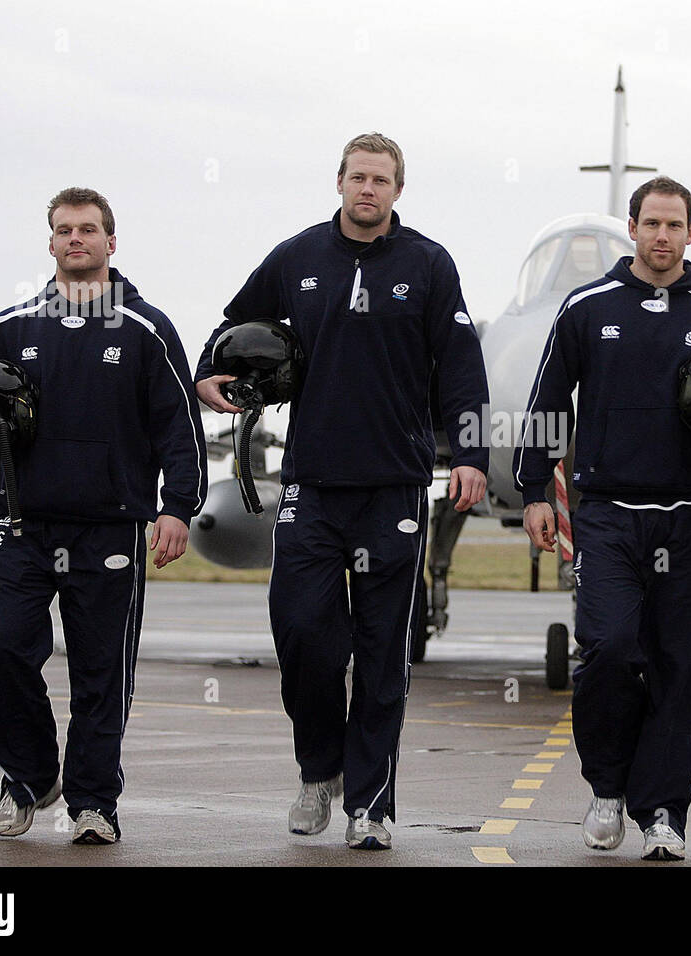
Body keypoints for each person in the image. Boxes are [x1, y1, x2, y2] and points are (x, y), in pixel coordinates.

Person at [195, 132, 489, 850]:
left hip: (393, 487)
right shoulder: (298, 256)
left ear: (397, 189)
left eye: (381, 179)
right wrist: (209, 370)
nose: (369, 189)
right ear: (339, 182)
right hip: (311, 485)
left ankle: (372, 806)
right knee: (302, 635)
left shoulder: (427, 263)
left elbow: (459, 364)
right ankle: (317, 767)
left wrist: (473, 453)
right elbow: (236, 322)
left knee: (383, 651)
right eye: (358, 176)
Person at [0, 187, 208, 844]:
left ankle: (94, 803)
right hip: (21, 524)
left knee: (102, 674)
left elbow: (179, 429)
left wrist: (178, 508)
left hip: (111, 528)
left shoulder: (146, 329)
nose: (76, 239)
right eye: (64, 230)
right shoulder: (12, 325)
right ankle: (28, 777)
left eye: (88, 229)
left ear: (110, 242)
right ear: (50, 244)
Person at [514, 176, 691, 860]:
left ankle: (664, 813)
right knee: (606, 650)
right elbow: (547, 399)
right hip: (605, 516)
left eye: (675, 225)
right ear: (631, 227)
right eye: (652, 223)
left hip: (687, 518)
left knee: (675, 668)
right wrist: (536, 489)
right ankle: (607, 787)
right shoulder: (587, 307)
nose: (663, 236)